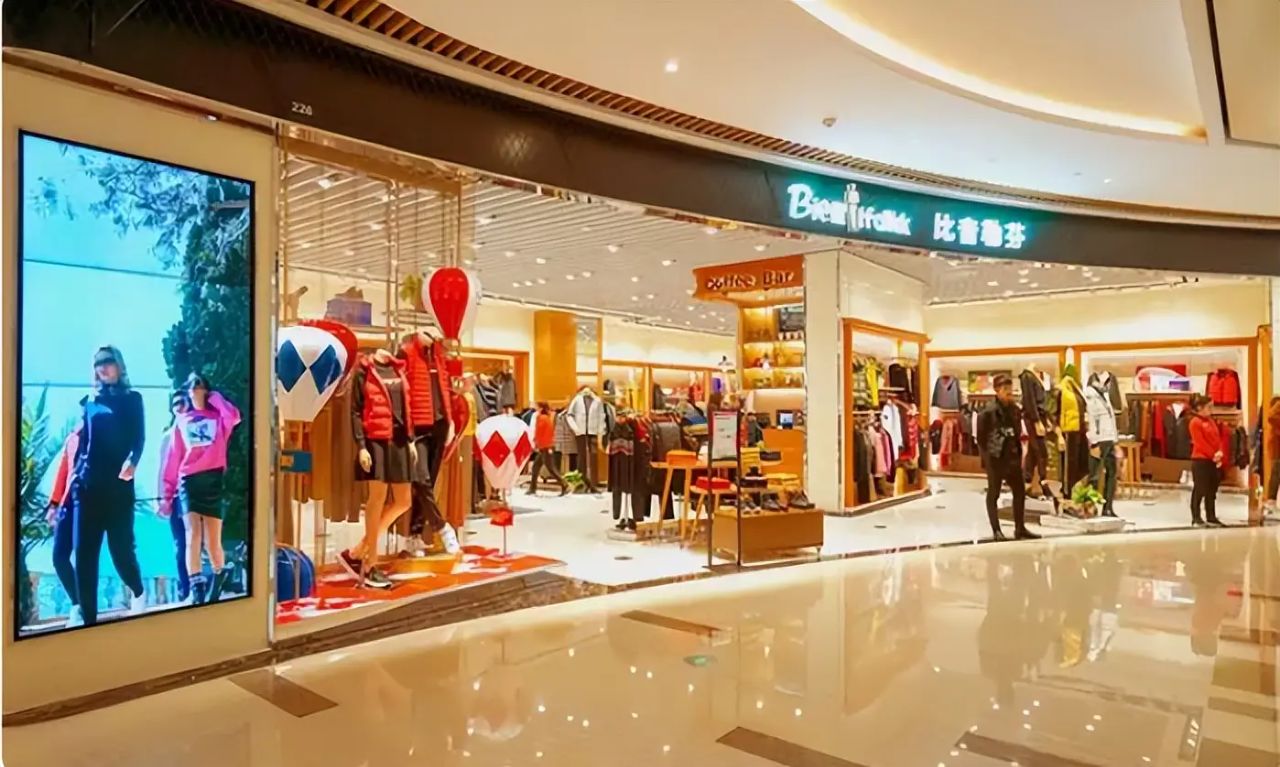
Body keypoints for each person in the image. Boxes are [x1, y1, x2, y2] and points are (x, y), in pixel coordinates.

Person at [73, 345, 147, 625]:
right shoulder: (90, 402)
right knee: (84, 556)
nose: (102, 367)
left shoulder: (132, 399)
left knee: (121, 552)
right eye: (97, 363)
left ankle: (138, 592)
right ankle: (88, 622)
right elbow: (83, 445)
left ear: (119, 364)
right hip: (87, 489)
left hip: (118, 488)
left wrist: (133, 462)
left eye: (107, 361)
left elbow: (139, 439)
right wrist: (75, 478)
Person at [161, 373, 243, 604]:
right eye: (191, 385)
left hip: (213, 479)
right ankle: (196, 584)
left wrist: (215, 398)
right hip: (188, 480)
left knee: (213, 539)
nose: (194, 389)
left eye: (199, 384)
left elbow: (234, 417)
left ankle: (219, 575)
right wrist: (167, 494)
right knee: (193, 534)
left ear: (206, 389)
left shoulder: (218, 417)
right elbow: (173, 458)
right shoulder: (181, 421)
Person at [977, 374, 1039, 541]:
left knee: (1019, 491)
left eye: (1010, 388)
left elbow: (1017, 433)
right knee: (994, 493)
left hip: (1012, 457)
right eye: (1005, 389)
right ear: (997, 390)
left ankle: (1020, 528)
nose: (1009, 392)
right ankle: (996, 530)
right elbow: (981, 438)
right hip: (995, 458)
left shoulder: (1015, 409)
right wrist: (987, 457)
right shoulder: (987, 412)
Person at [157, 391, 192, 603]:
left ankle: (197, 585)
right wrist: (162, 498)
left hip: (196, 494)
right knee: (181, 544)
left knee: (196, 542)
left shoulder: (196, 430)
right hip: (177, 496)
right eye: (175, 403)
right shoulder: (168, 436)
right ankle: (186, 588)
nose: (179, 406)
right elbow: (163, 469)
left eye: (182, 402)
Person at [46, 425, 82, 626]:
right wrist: (53, 504)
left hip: (90, 504)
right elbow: (63, 471)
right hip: (67, 504)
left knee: (85, 557)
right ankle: (78, 603)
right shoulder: (73, 437)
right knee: (59, 557)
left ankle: (83, 606)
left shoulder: (104, 431)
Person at [1188, 394, 1226, 528]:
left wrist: (1220, 452)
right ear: (1200, 408)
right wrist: (1212, 455)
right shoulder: (1195, 422)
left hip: (1213, 460)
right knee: (1200, 489)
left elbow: (1217, 438)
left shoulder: (1211, 421)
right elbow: (1200, 442)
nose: (1211, 409)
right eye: (1208, 407)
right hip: (1201, 460)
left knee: (1212, 490)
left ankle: (1211, 516)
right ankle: (1196, 517)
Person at [528, 402, 568, 496]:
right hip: (545, 446)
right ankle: (532, 488)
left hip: (545, 446)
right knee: (536, 467)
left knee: (551, 468)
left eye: (537, 406)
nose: (535, 408)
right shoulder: (547, 417)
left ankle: (564, 484)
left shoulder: (541, 418)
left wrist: (536, 444)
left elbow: (539, 432)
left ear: (541, 408)